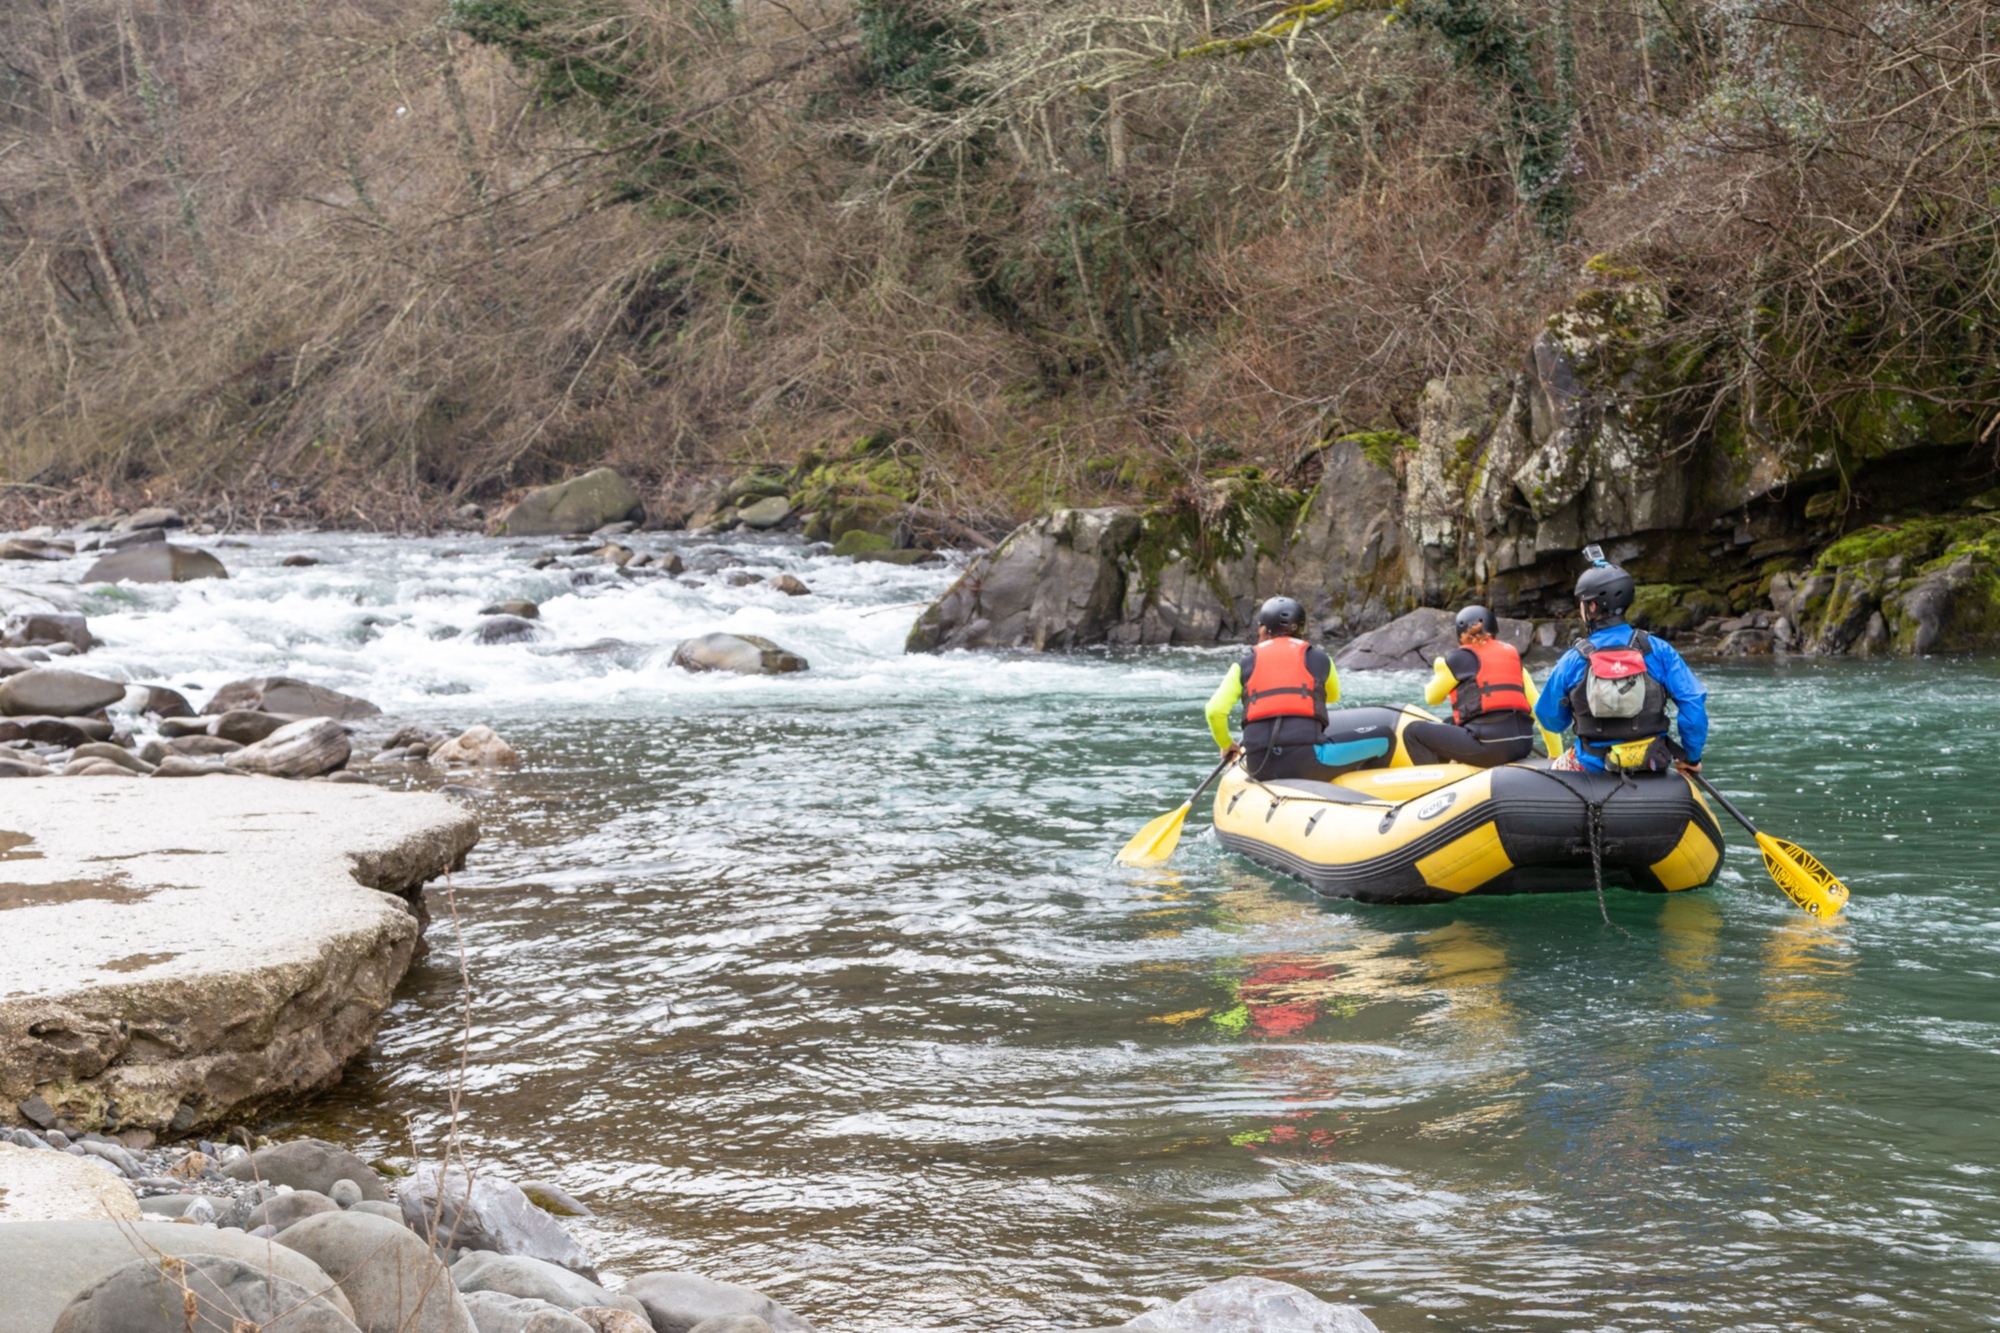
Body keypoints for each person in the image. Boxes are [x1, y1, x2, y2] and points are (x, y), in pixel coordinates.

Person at [1533, 553, 1708, 774]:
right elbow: (1693, 704)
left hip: (1591, 764)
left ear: (1593, 606)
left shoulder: (1574, 658)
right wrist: (1691, 757)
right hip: (1651, 761)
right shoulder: (1659, 650)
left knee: (1555, 770)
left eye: (1583, 603)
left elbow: (1551, 721)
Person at [1207, 596, 1357, 782]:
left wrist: (1226, 744)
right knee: (1386, 738)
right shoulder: (1321, 659)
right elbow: (1332, 697)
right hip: (1308, 763)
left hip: (1259, 766)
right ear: (1300, 629)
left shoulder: (1243, 664)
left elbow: (1214, 711)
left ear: (1263, 630)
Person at [1403, 605, 1543, 768]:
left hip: (1490, 747)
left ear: (1460, 635)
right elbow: (1539, 708)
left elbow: (1431, 697)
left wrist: (1440, 667)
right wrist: (1554, 754)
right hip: (1523, 744)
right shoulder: (1512, 656)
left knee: (1413, 732)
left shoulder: (1459, 658)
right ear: (1494, 631)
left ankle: (1436, 786)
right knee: (1450, 722)